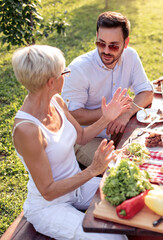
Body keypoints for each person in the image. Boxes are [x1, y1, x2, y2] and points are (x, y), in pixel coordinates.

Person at [12, 45, 130, 240]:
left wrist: (106, 117)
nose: (66, 76)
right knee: (113, 238)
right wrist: (93, 169)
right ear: (51, 82)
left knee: (132, 194)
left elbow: (81, 137)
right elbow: (48, 191)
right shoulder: (28, 130)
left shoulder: (56, 101)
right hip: (49, 206)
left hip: (78, 187)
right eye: (64, 72)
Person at [62, 11, 153, 167]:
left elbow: (147, 92)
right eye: (101, 43)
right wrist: (111, 113)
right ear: (96, 36)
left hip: (119, 129)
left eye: (114, 46)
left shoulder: (130, 56)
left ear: (126, 43)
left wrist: (126, 113)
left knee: (150, 157)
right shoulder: (78, 69)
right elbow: (72, 115)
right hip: (86, 137)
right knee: (121, 168)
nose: (106, 50)